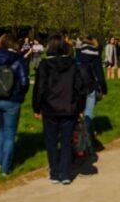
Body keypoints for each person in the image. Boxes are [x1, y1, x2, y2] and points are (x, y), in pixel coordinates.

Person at [33, 36, 87, 185]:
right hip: (69, 108)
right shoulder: (72, 64)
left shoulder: (44, 65)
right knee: (66, 142)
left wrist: (36, 107)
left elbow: (39, 88)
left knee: (51, 142)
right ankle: (65, 173)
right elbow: (79, 89)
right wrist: (80, 107)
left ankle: (54, 172)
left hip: (50, 108)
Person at [0, 34, 30, 175]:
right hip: (11, 99)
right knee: (10, 134)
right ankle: (6, 168)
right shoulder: (18, 59)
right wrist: (20, 95)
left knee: (0, 129)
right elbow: (24, 82)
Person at [75, 35, 108, 146]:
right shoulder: (96, 56)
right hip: (90, 86)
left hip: (78, 87)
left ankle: (82, 137)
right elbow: (100, 74)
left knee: (80, 113)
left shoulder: (78, 54)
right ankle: (86, 138)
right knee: (88, 113)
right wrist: (104, 89)